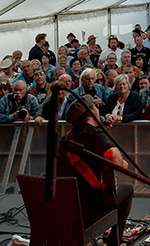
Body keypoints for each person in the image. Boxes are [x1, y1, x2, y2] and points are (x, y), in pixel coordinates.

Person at [57, 94, 133, 246]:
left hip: (64, 209)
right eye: (96, 107)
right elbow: (113, 155)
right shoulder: (96, 135)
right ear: (91, 113)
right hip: (87, 212)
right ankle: (115, 240)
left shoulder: (66, 138)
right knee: (127, 189)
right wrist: (123, 164)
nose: (99, 110)